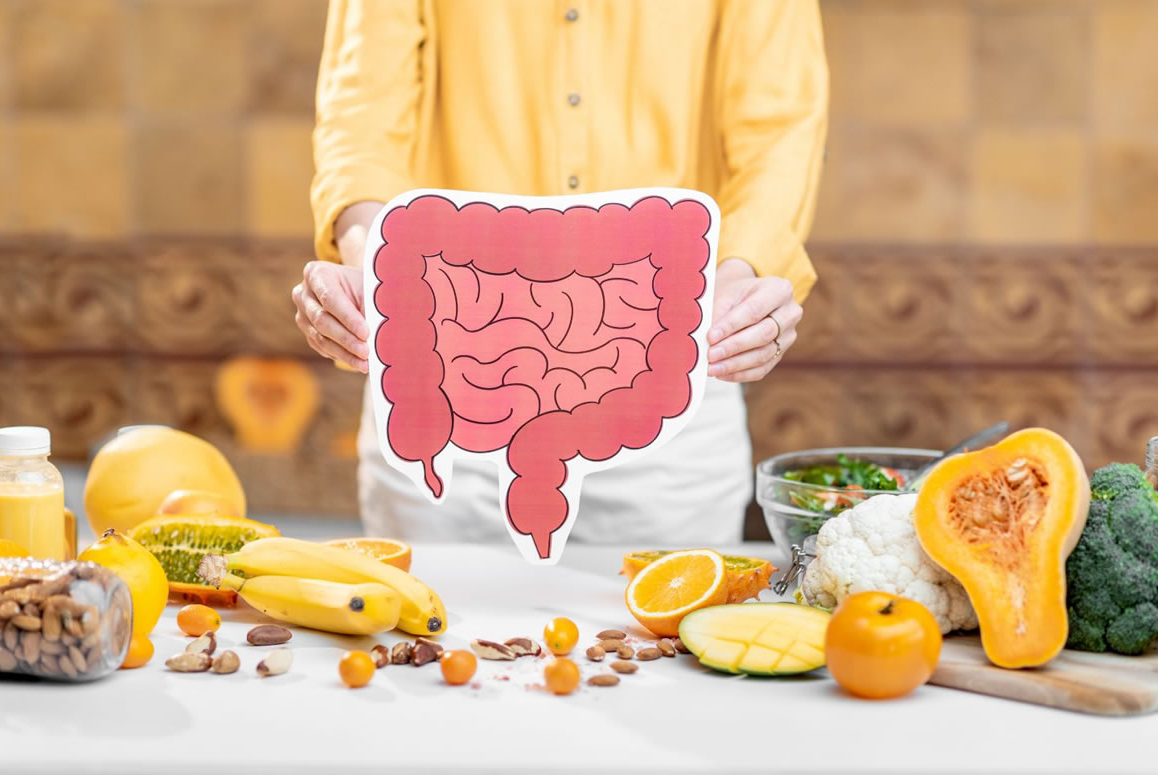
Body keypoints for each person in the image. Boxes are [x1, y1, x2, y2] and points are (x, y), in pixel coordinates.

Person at [293, 1, 828, 545]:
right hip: (440, 393)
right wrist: (370, 264)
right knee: (430, 626)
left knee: (661, 628)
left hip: (674, 389)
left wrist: (742, 275)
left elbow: (779, 127)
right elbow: (361, 112)